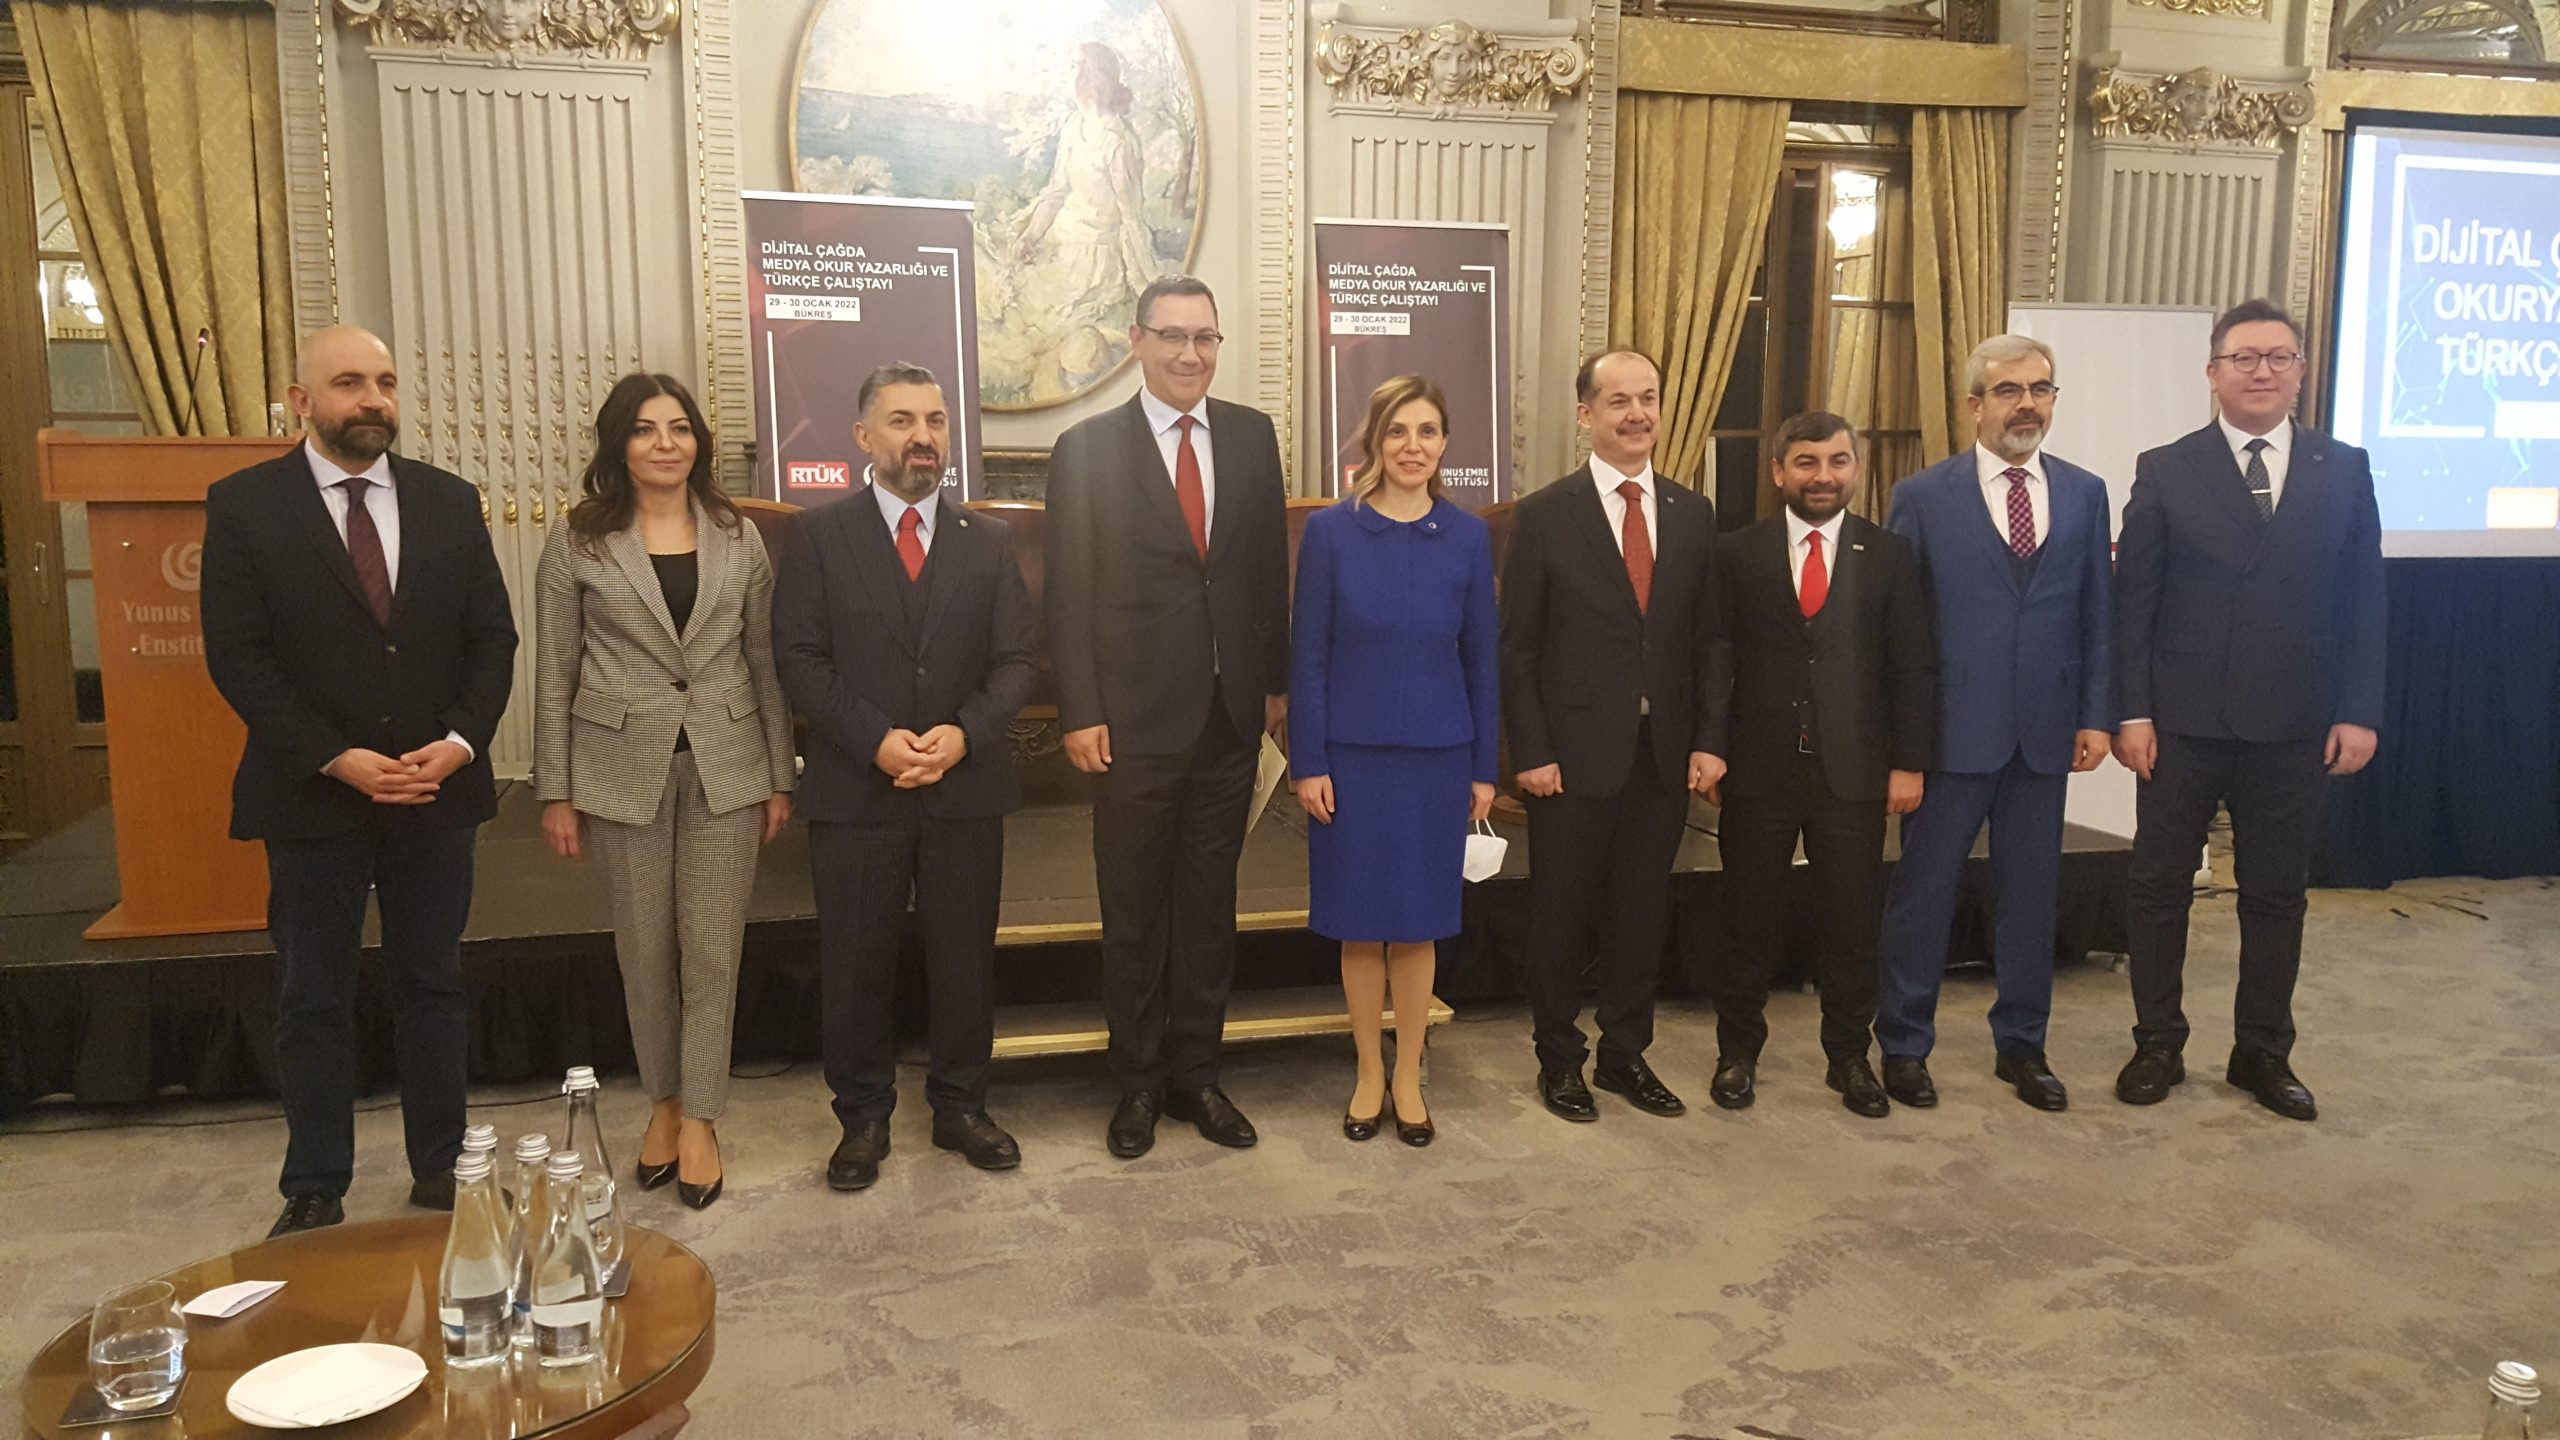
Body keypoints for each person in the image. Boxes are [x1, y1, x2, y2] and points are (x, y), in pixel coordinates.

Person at [200, 325, 517, 1238]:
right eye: (348, 383)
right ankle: (314, 1182)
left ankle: (442, 1166)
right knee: (312, 995)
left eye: (384, 381)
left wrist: (459, 743)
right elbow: (239, 657)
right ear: (302, 401)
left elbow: (492, 640)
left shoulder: (450, 502)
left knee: (433, 983)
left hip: (433, 789)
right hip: (312, 795)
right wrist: (335, 757)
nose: (373, 399)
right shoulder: (245, 506)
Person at [2110, 298, 2386, 1122]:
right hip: (2180, 724)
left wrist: (2359, 710)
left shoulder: (2345, 467)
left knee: (2276, 896)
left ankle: (2262, 1051)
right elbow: (2134, 602)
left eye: (2278, 357)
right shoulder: (2167, 467)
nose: (2261, 371)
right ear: (2213, 373)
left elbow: (2364, 597)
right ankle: (2158, 1041)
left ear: (2301, 371)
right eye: (2244, 358)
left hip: (2295, 722)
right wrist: (2132, 712)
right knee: (2159, 889)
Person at [532, 373, 795, 1211]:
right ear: (620, 444)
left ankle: (703, 1120)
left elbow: (764, 660)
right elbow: (555, 671)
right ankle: (664, 1103)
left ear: (698, 442)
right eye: (646, 429)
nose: (665, 443)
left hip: (728, 765)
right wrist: (555, 790)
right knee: (645, 956)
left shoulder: (737, 535)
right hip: (619, 771)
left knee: (713, 954)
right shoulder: (578, 540)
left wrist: (780, 774)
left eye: (680, 428)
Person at [1045, 275, 1291, 1158]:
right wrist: (1081, 708)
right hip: (1131, 724)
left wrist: (1273, 685)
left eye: (1205, 338)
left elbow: (1265, 570)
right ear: (1137, 342)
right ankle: (1139, 1083)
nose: (1191, 354)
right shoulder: (1086, 448)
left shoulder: (1253, 436)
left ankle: (1198, 1077)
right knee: (1136, 915)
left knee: (1208, 909)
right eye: (1174, 336)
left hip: (1229, 720)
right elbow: (1067, 589)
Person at [775, 362, 1037, 1191]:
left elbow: (1019, 661)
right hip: (858, 788)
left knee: (965, 959)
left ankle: (961, 1106)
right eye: (901, 421)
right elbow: (798, 658)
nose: (922, 437)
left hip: (965, 786)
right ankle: (862, 1118)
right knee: (857, 962)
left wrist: (964, 735)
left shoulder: (988, 541)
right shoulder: (819, 536)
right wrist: (875, 741)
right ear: (864, 436)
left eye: (935, 421)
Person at [1874, 337, 2115, 1112]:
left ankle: (2023, 1045)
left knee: (2030, 899)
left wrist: (2096, 716)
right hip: (1950, 736)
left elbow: (2097, 615)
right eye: (2009, 390)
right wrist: (1904, 742)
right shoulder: (1922, 496)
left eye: (2041, 389)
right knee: (1923, 898)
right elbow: (1900, 632)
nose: (2027, 404)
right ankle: (1903, 1046)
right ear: (1975, 405)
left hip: (2045, 733)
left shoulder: (2085, 493)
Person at [1500, 350, 1728, 1125]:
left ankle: (1625, 1055)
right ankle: (1559, 1060)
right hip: (1568, 760)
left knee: (1641, 916)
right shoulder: (1545, 514)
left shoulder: (1692, 512)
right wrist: (1531, 752)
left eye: (1648, 398)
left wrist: (1709, 740)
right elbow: (1517, 648)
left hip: (1663, 756)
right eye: (1619, 401)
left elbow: (1710, 641)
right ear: (1586, 415)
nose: (1637, 414)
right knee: (1560, 917)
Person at [1289, 375, 1500, 1148]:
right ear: (1375, 439)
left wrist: (1484, 767)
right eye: (1399, 431)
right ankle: (1368, 1072)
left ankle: (1409, 1074)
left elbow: (1482, 661)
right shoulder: (1330, 533)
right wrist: (1308, 761)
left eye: (1428, 431)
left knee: (1417, 926)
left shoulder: (1468, 536)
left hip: (1438, 761)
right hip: (1351, 761)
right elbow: (1308, 656)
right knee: (1360, 926)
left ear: (1445, 443)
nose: (1414, 446)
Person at [1709, 411, 1936, 1118]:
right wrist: (1711, 750)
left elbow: (1912, 666)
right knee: (1746, 922)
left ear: (1856, 470)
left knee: (1851, 925)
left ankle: (1849, 1058)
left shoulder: (1889, 554)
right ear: (1779, 472)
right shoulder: (1736, 553)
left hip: (1855, 775)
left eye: (1837, 461)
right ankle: (1736, 1054)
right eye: (1806, 462)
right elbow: (1715, 660)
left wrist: (1910, 763)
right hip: (1758, 772)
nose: (1823, 476)